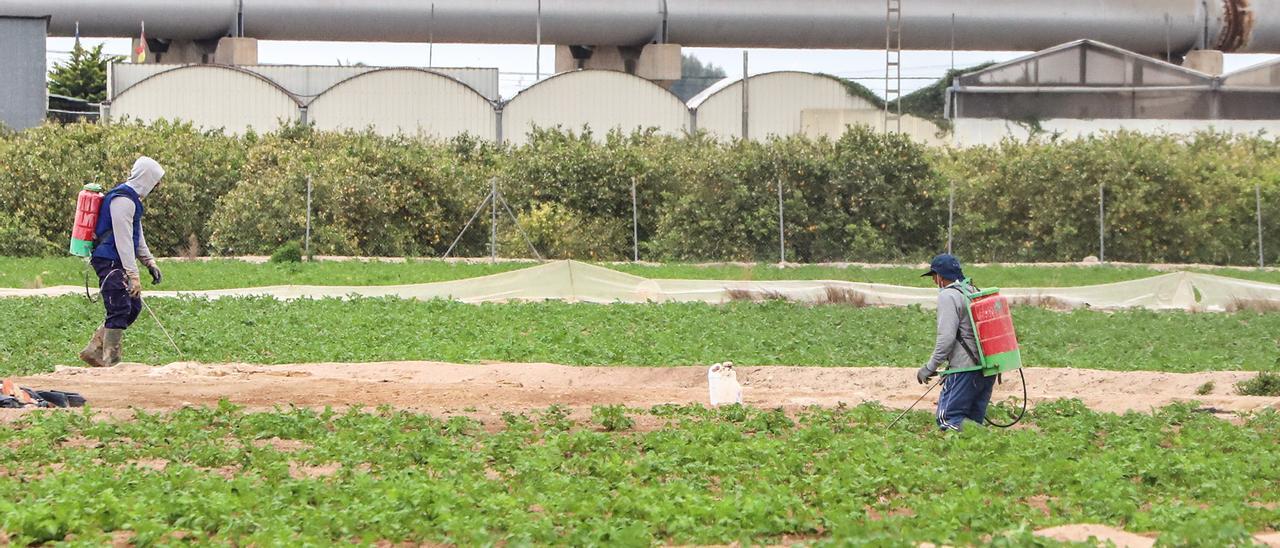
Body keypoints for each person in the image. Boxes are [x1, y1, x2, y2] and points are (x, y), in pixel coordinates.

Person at [79, 157, 165, 367]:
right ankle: (111, 361)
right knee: (119, 307)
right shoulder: (122, 200)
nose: (156, 187)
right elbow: (123, 239)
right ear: (146, 178)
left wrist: (149, 262)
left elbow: (137, 235)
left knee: (132, 306)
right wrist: (133, 275)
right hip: (108, 260)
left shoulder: (133, 201)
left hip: (117, 260)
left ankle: (95, 349)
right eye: (155, 181)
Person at [915, 253, 994, 431]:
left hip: (965, 368)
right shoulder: (973, 290)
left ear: (941, 276)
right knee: (971, 423)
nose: (934, 282)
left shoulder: (948, 296)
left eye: (934, 277)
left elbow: (946, 339)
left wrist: (929, 367)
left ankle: (989, 436)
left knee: (948, 419)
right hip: (986, 369)